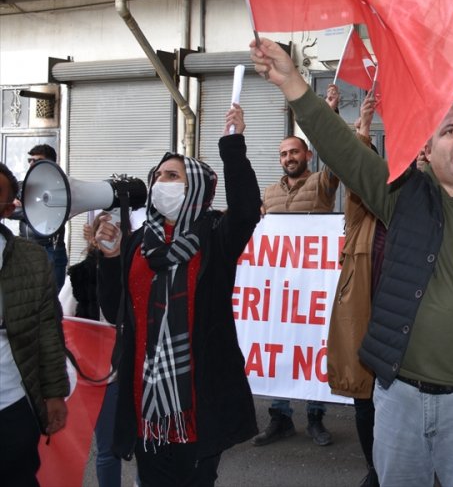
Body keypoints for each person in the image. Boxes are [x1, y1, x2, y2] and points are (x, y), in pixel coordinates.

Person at [251, 37, 453, 487]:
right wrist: (293, 83)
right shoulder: (401, 195)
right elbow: (345, 153)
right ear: (427, 150)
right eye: (449, 129)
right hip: (399, 399)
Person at [97, 104, 262, 486]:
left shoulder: (216, 236)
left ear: (196, 189)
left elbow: (247, 209)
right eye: (158, 175)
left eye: (173, 175)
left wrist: (233, 146)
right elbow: (114, 309)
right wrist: (109, 261)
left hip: (199, 401)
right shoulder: (138, 243)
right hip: (144, 404)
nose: (160, 181)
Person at [255, 87, 341, 447]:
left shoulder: (321, 184)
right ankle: (280, 417)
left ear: (307, 154)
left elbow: (339, 160)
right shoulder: (270, 194)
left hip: (313, 286)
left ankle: (316, 419)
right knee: (281, 345)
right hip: (279, 289)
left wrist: (329, 115)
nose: (289, 157)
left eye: (294, 151)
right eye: (283, 154)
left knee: (312, 345)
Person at [326, 90, 385, 487]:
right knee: (365, 402)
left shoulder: (412, 209)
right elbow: (354, 172)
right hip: (366, 320)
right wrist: (361, 129)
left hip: (404, 325)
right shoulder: (361, 213)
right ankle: (374, 468)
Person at [0, 162, 69, 486]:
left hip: (12, 407)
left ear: (8, 206)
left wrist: (54, 393)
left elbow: (47, 330)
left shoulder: (31, 259)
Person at [69, 211, 125, 487]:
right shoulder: (79, 275)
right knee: (109, 449)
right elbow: (65, 321)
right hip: (104, 376)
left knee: (136, 445)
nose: (109, 234)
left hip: (129, 370)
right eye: (104, 228)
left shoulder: (138, 267)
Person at [13, 144, 70, 292]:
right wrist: (28, 209)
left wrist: (24, 207)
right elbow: (8, 209)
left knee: (48, 298)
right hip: (25, 247)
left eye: (37, 161)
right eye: (30, 160)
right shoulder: (21, 185)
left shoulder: (59, 186)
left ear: (49, 163)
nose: (32, 164)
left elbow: (52, 212)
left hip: (50, 248)